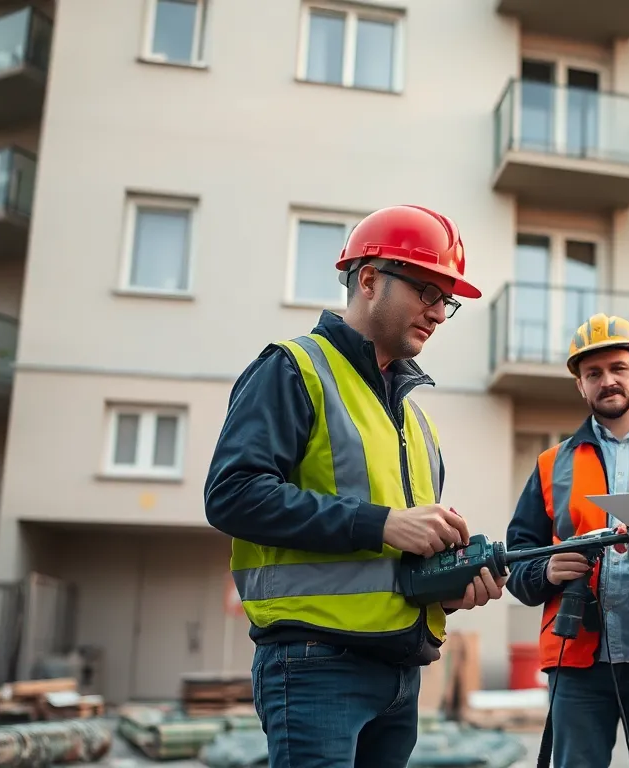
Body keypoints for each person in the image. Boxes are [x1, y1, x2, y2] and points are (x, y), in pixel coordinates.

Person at [204, 205, 509, 768]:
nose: (439, 312)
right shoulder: (294, 368)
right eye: (427, 290)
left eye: (447, 299)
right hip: (315, 664)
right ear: (368, 279)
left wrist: (444, 585)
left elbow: (393, 558)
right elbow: (233, 494)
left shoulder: (414, 420)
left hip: (399, 675)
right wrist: (384, 523)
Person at [504, 314, 629, 768]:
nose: (607, 381)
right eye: (593, 373)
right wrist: (547, 570)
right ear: (580, 386)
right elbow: (517, 563)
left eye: (618, 368)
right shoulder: (551, 464)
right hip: (575, 661)